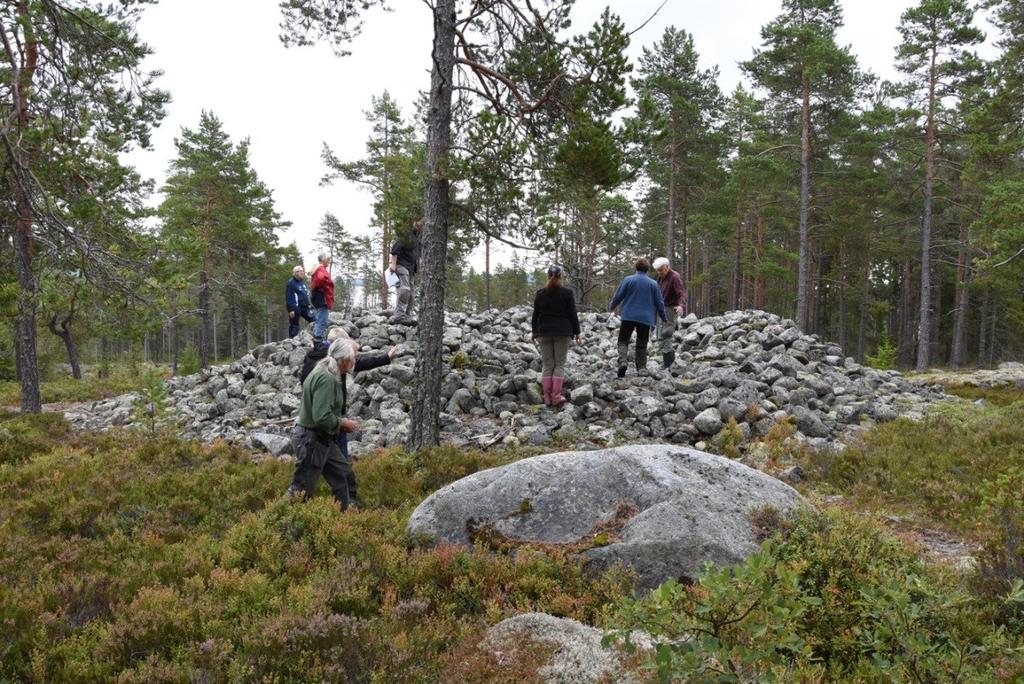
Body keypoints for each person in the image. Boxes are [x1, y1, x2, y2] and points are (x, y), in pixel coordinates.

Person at [296, 326, 397, 506]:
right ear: (343, 360)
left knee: (344, 474)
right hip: (311, 439)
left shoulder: (332, 370)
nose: (354, 362)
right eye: (352, 359)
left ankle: (347, 516)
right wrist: (343, 423)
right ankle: (281, 523)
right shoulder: (327, 378)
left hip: (323, 438)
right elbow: (321, 417)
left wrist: (385, 358)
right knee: (301, 490)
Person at [531, 265, 582, 406]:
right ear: (561, 277)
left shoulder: (540, 293)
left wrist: (534, 332)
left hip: (544, 332)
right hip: (563, 332)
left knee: (548, 365)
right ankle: (556, 396)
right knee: (559, 364)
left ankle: (546, 397)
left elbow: (535, 315)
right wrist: (577, 332)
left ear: (548, 276)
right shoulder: (567, 293)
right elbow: (572, 314)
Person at [609, 258, 667, 378]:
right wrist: (663, 316)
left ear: (636, 268)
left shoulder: (628, 280)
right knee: (642, 343)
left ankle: (623, 361)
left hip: (628, 315)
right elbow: (659, 302)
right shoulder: (653, 284)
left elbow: (618, 295)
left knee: (623, 340)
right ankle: (641, 368)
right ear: (648, 269)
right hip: (645, 318)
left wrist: (612, 306)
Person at [652, 257, 686, 369]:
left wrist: (681, 305)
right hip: (661, 308)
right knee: (659, 335)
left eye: (661, 270)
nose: (659, 273)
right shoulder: (660, 278)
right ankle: (668, 361)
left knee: (665, 334)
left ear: (667, 267)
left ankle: (669, 363)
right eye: (658, 270)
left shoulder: (675, 277)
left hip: (670, 309)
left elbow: (681, 293)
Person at [388, 217, 423, 325]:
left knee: (412, 294)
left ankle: (407, 316)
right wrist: (393, 265)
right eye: (421, 222)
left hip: (411, 268)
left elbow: (417, 255)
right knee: (405, 290)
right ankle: (399, 316)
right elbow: (395, 250)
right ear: (415, 222)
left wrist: (418, 268)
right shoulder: (407, 235)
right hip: (401, 265)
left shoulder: (418, 237)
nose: (422, 225)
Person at [310, 253, 335, 341]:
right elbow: (321, 279)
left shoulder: (318, 268)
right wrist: (328, 284)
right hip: (321, 297)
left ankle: (318, 338)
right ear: (322, 260)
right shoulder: (320, 269)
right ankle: (318, 340)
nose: (329, 260)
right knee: (322, 319)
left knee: (320, 318)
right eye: (327, 259)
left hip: (318, 296)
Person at [285, 266, 314, 338]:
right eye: (301, 271)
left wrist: (309, 304)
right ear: (296, 273)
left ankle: (315, 337)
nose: (303, 272)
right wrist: (291, 309)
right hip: (296, 308)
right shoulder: (291, 283)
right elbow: (289, 297)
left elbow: (305, 294)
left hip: (305, 307)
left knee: (314, 320)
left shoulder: (301, 282)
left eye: (303, 271)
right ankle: (291, 341)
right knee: (294, 326)